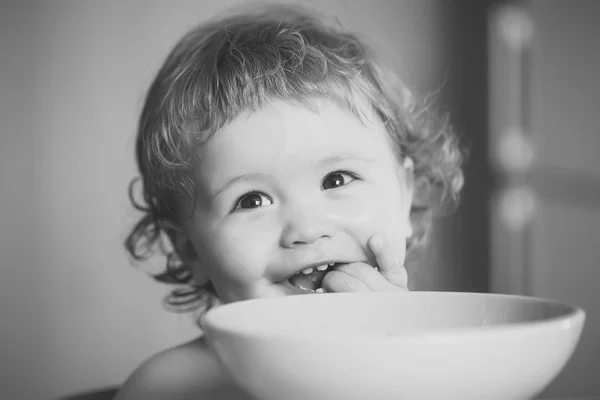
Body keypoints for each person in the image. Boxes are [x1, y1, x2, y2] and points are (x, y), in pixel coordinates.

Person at [115, 3, 464, 399]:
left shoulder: (449, 369)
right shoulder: (168, 389)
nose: (307, 229)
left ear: (405, 196)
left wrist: (394, 370)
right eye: (252, 200)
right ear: (189, 250)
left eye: (337, 179)